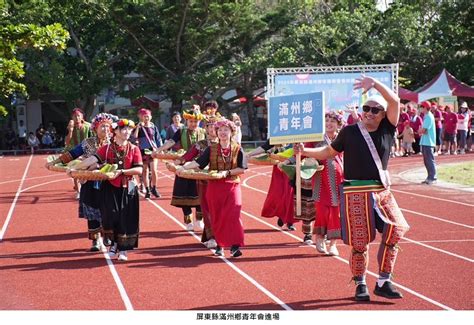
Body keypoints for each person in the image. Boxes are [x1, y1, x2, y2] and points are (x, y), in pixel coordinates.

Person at [294, 75, 410, 302]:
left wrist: (375, 84)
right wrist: (305, 152)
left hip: (381, 192)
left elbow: (394, 100)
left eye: (375, 110)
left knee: (396, 230)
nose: (369, 112)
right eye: (366, 108)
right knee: (359, 243)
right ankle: (360, 284)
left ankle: (384, 280)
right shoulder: (349, 131)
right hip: (354, 192)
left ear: (384, 114)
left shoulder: (388, 128)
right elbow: (328, 153)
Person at [177, 119, 247, 258]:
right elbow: (199, 163)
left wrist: (226, 173)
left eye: (226, 130)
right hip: (214, 187)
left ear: (232, 132)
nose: (222, 133)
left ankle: (235, 245)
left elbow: (242, 169)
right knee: (216, 215)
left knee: (233, 214)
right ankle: (219, 245)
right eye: (220, 130)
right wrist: (183, 167)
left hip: (232, 185)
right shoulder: (211, 148)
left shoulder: (238, 148)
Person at [75, 118, 143, 261]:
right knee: (110, 217)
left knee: (126, 218)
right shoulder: (106, 149)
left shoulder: (134, 149)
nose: (127, 132)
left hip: (127, 188)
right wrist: (74, 168)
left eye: (129, 129)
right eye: (123, 129)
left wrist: (122, 172)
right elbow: (92, 160)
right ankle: (114, 244)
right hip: (109, 188)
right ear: (115, 132)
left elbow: (139, 169)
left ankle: (123, 250)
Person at [47, 113, 116, 251]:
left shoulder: (114, 143)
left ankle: (108, 235)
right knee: (92, 210)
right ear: (95, 128)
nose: (105, 129)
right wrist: (56, 161)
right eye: (102, 126)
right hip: (89, 181)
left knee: (108, 210)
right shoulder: (88, 142)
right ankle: (95, 240)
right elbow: (73, 153)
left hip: (108, 182)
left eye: (108, 127)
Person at [153, 106, 207, 231]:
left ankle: (199, 220)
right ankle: (188, 221)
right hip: (183, 164)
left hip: (200, 166)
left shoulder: (203, 132)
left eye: (196, 121)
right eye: (191, 121)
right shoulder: (181, 131)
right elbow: (171, 142)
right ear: (186, 121)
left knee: (201, 193)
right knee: (184, 194)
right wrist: (158, 150)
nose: (193, 124)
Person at [311, 111, 344, 256]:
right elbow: (302, 151)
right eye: (327, 121)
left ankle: (333, 244)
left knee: (336, 213)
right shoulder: (316, 138)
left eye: (333, 121)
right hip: (321, 181)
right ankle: (319, 238)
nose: (329, 124)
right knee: (322, 211)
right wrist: (288, 161)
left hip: (339, 181)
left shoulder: (343, 139)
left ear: (338, 124)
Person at [247, 142, 296, 231]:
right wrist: (249, 154)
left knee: (291, 195)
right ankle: (281, 215)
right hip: (279, 170)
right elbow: (265, 147)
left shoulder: (299, 135)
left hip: (292, 169)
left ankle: (289, 221)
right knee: (278, 195)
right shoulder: (277, 136)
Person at [133, 108, 163, 198]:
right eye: (144, 116)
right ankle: (147, 189)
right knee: (145, 171)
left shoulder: (153, 126)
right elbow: (134, 137)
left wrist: (160, 149)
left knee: (154, 170)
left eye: (148, 116)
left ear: (151, 117)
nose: (146, 118)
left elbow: (158, 138)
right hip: (142, 150)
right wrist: (138, 127)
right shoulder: (138, 126)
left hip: (153, 150)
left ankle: (154, 187)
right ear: (141, 117)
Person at [65, 108, 93, 198]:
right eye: (74, 116)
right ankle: (78, 190)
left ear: (82, 117)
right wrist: (70, 130)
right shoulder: (70, 127)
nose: (76, 118)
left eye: (78, 116)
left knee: (87, 170)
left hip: (86, 151)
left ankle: (87, 188)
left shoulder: (88, 126)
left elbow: (92, 139)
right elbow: (67, 142)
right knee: (74, 170)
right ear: (72, 117)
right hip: (74, 151)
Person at [419, 102, 437, 184]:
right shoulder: (426, 116)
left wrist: (420, 130)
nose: (421, 108)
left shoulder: (429, 117)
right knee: (426, 161)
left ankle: (433, 177)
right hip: (425, 141)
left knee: (429, 160)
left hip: (428, 142)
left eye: (422, 107)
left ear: (425, 108)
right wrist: (421, 131)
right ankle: (429, 177)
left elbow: (424, 130)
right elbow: (423, 131)